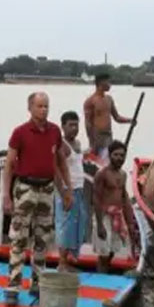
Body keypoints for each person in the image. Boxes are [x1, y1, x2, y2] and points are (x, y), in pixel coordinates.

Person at [2, 92, 73, 307]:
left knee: (43, 238)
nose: (44, 110)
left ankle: (38, 282)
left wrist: (66, 190)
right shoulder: (20, 133)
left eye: (46, 106)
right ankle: (13, 285)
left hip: (47, 188)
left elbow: (60, 161)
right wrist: (6, 195)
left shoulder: (54, 132)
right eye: (40, 106)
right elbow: (9, 165)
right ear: (30, 108)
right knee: (19, 238)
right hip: (25, 188)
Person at [92, 140, 139, 272]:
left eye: (122, 155)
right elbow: (96, 197)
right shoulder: (102, 174)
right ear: (110, 155)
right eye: (116, 155)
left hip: (117, 215)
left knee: (113, 250)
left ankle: (104, 273)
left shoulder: (123, 175)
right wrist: (100, 224)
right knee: (104, 252)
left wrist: (130, 223)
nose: (119, 158)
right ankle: (100, 278)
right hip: (104, 215)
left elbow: (124, 198)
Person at [54, 110, 88, 271]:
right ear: (63, 127)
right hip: (68, 190)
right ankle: (62, 262)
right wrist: (64, 192)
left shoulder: (78, 144)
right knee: (65, 225)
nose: (74, 128)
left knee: (79, 222)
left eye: (76, 125)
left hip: (79, 188)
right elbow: (57, 169)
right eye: (71, 125)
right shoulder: (62, 145)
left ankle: (70, 259)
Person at [83, 73, 132, 160]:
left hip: (108, 136)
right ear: (101, 83)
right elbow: (88, 123)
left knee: (108, 160)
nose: (110, 84)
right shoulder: (90, 101)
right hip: (97, 137)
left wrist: (130, 120)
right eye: (108, 82)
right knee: (98, 162)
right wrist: (91, 141)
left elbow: (117, 118)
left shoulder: (109, 99)